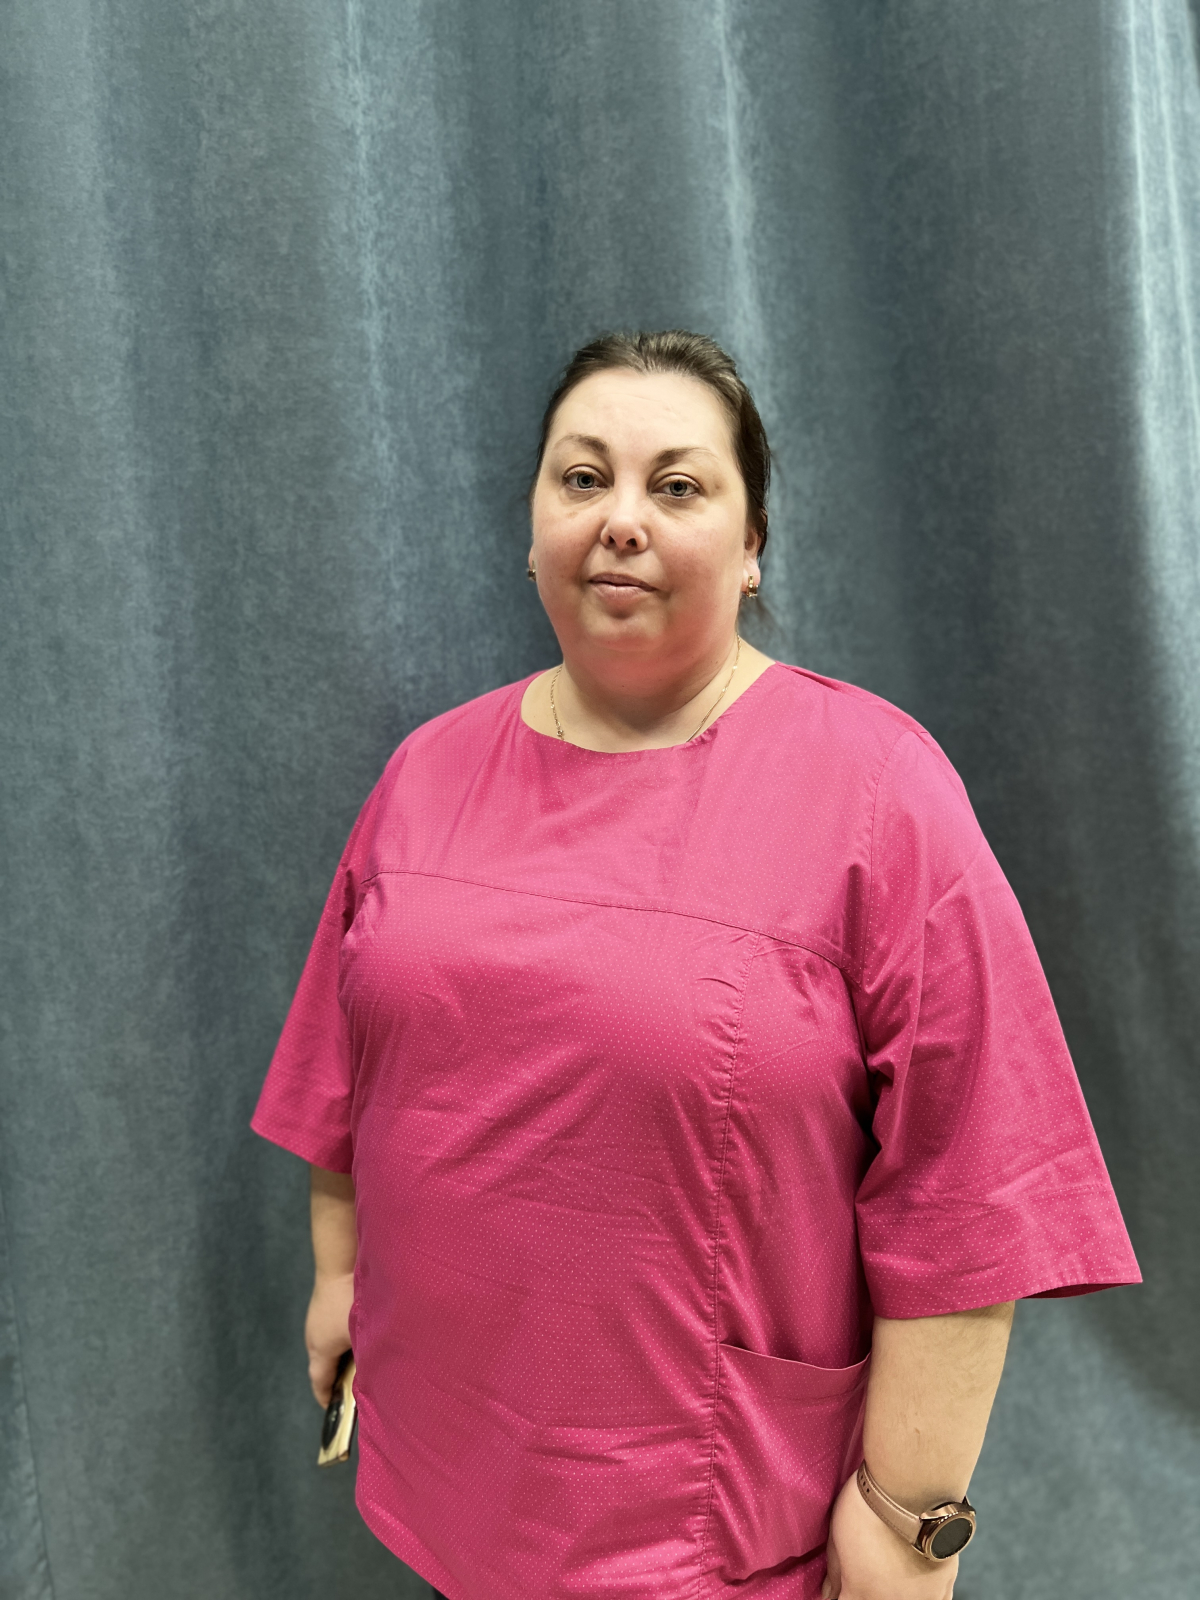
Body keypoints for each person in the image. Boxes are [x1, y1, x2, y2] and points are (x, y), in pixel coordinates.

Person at [252, 331, 1139, 1600]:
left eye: (677, 485)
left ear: (753, 541)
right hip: (446, 1458)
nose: (621, 519)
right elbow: (343, 1077)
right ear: (532, 529)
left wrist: (905, 1516)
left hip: (703, 1527)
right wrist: (338, 1275)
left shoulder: (878, 793)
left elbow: (971, 1191)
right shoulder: (425, 775)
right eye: (582, 478)